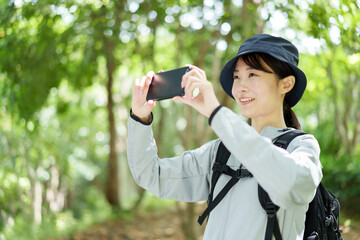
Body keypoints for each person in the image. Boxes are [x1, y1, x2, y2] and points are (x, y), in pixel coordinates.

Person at [127, 34, 323, 239]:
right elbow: (151, 175)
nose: (240, 87)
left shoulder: (301, 147)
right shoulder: (220, 152)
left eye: (253, 75)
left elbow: (293, 185)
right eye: (237, 77)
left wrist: (215, 112)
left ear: (286, 84)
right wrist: (140, 117)